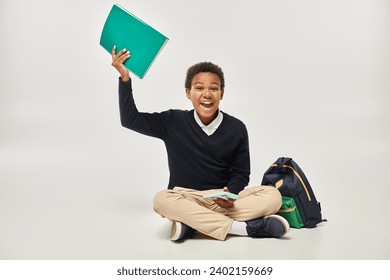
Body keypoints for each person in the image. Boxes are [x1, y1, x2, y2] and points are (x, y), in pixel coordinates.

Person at [111, 46, 289, 242]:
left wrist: (230, 193)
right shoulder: (172, 121)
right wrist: (125, 78)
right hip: (185, 198)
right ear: (188, 92)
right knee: (161, 200)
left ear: (222, 93)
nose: (207, 94)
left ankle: (190, 224)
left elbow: (241, 173)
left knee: (272, 196)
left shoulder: (237, 128)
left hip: (221, 200)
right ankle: (243, 229)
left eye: (214, 88)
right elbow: (130, 119)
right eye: (199, 88)